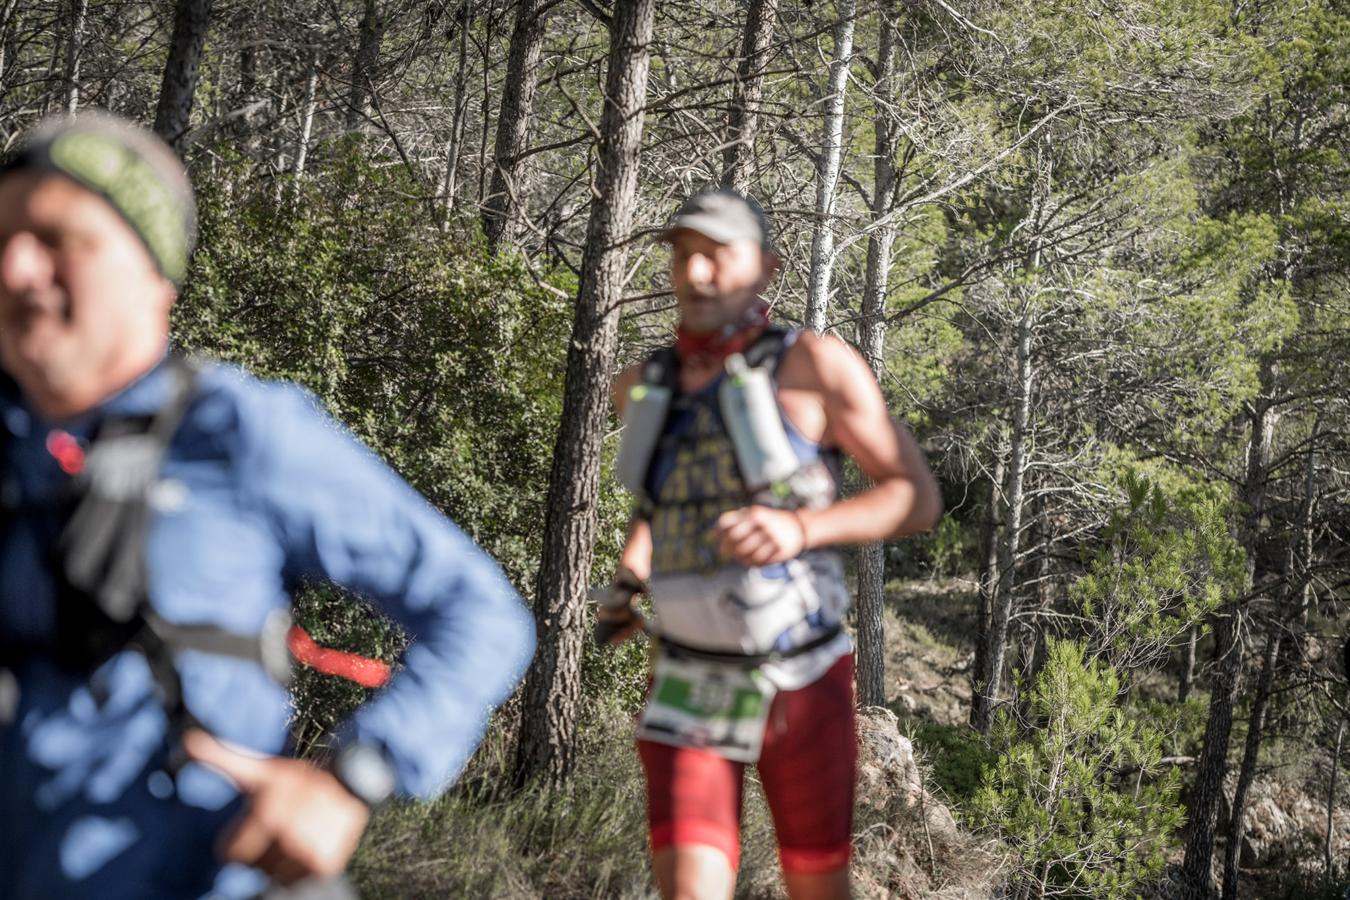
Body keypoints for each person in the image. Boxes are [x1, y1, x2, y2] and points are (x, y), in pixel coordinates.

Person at [0, 113, 536, 900]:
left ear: (156, 273)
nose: (15, 267)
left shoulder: (236, 431)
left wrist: (353, 777)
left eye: (57, 237)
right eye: (2, 235)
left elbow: (481, 614)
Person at [596, 189, 942, 900]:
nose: (697, 274)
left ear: (766, 270)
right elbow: (662, 508)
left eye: (718, 256)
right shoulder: (643, 385)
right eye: (684, 256)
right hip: (690, 677)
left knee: (817, 885)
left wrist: (801, 528)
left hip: (800, 675)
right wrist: (629, 582)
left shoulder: (815, 367)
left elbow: (916, 497)